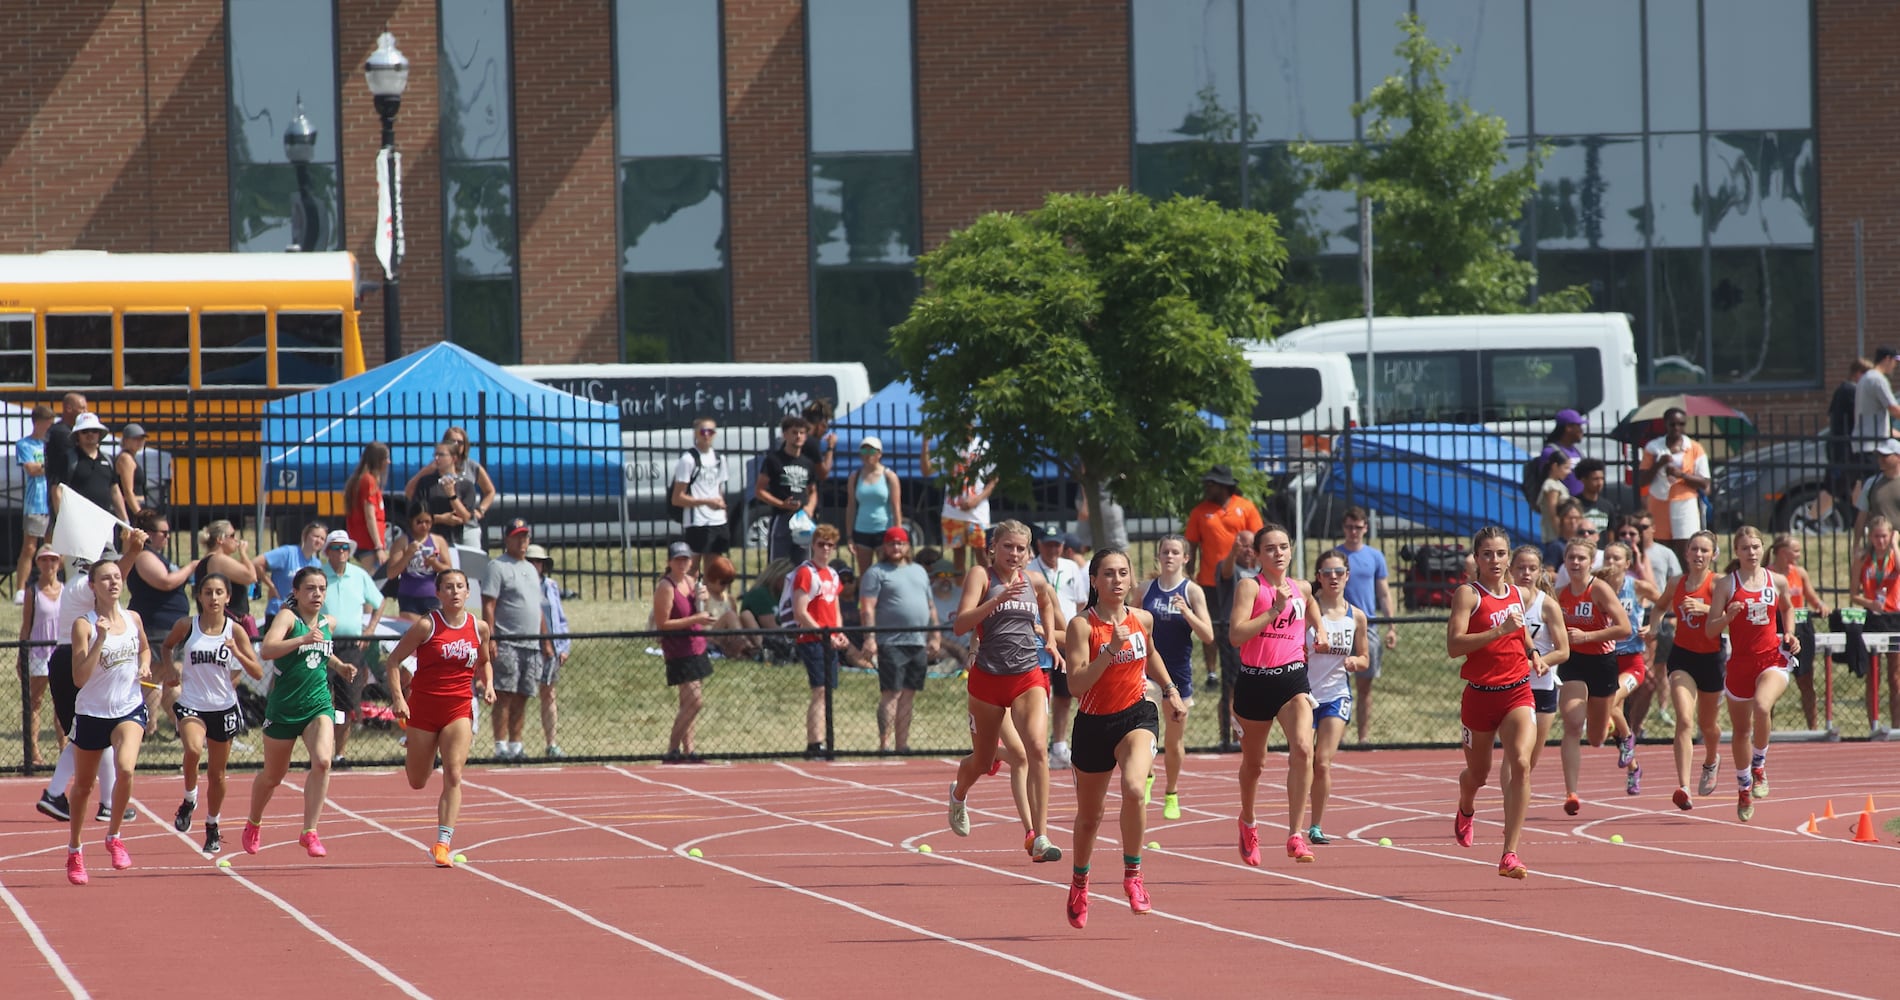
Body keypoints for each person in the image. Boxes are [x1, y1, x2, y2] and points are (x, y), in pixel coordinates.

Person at [1060, 546, 1186, 929]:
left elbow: (1150, 654)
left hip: (1136, 714)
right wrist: (1109, 651)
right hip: (1094, 724)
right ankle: (1080, 881)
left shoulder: (1142, 618)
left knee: (1134, 788)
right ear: (1095, 581)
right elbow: (1076, 684)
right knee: (1089, 818)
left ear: (1132, 578)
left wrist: (1169, 688)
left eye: (1123, 573)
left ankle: (1133, 876)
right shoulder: (1082, 625)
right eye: (1108, 574)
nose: (1117, 580)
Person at [947, 520, 1064, 863]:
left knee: (1037, 750)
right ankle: (958, 792)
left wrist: (1051, 641)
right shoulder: (981, 577)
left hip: (1027, 675)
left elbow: (1046, 606)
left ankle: (1040, 836)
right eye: (1008, 546)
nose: (1014, 554)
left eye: (1020, 548)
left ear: (1029, 553)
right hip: (988, 679)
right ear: (993, 548)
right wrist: (995, 603)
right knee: (983, 761)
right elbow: (960, 623)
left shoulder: (1036, 581)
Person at [1446, 526, 1544, 880]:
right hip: (1480, 696)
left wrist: (1534, 654)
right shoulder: (1468, 595)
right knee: (1479, 774)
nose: (1495, 560)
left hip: (1517, 690)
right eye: (1487, 554)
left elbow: (1520, 633)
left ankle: (1510, 852)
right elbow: (1454, 646)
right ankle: (1466, 806)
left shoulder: (1519, 593)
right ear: (1476, 558)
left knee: (1520, 762)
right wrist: (1496, 633)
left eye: (1501, 554)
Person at [34, 528, 148, 826]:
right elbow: (114, 578)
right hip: (77, 656)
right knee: (86, 730)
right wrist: (134, 551)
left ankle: (97, 800)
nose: (115, 577)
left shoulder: (84, 586)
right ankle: (60, 793)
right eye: (108, 567)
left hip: (92, 656)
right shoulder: (85, 586)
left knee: (98, 731)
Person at [1228, 523, 1325, 865]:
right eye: (1270, 548)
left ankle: (1295, 835)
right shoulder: (1250, 587)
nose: (1278, 553)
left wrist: (1321, 629)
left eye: (1283, 547)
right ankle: (1249, 820)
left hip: (1292, 679)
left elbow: (1311, 603)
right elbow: (1236, 636)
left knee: (1302, 748)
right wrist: (1273, 610)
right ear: (1257, 554)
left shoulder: (1300, 587)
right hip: (1255, 682)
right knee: (1255, 765)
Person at [386, 569, 494, 867]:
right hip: (423, 709)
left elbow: (484, 661)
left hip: (459, 708)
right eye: (449, 587)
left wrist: (489, 686)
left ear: (468, 592)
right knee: (417, 781)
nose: (455, 592)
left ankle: (442, 844)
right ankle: (420, 746)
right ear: (438, 593)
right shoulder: (426, 626)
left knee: (454, 774)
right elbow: (393, 661)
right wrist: (398, 699)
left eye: (460, 586)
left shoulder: (479, 627)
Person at [244, 567, 353, 858]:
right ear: (296, 592)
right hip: (284, 708)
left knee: (323, 761)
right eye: (310, 588)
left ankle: (310, 831)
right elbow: (267, 650)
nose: (317, 594)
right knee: (273, 775)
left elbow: (321, 650)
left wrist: (340, 666)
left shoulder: (327, 621)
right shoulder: (288, 618)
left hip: (318, 704)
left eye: (321, 588)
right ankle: (254, 821)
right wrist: (302, 640)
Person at [61, 559, 153, 885]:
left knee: (126, 768)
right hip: (92, 713)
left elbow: (144, 649)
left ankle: (114, 837)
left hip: (128, 708)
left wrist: (144, 665)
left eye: (117, 577)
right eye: (105, 578)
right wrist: (99, 640)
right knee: (84, 787)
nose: (113, 583)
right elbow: (79, 678)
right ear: (93, 586)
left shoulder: (133, 618)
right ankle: (75, 849)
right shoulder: (84, 625)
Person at [158, 573, 263, 854]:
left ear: (228, 597)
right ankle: (189, 798)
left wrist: (238, 655)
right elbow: (167, 646)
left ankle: (212, 824)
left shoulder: (235, 631)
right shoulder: (187, 625)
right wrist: (170, 670)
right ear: (199, 596)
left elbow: (257, 671)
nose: (213, 598)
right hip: (192, 702)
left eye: (219, 592)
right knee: (193, 749)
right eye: (208, 592)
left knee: (217, 775)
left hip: (223, 707)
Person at [1707, 526, 1798, 823]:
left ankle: (1759, 765)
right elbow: (1711, 629)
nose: (1752, 552)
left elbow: (1788, 608)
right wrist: (1727, 617)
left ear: (1763, 549)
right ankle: (1744, 786)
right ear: (1737, 551)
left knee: (1762, 705)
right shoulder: (1725, 585)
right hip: (1740, 664)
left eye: (1756, 547)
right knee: (1741, 731)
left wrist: (1790, 635)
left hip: (1772, 658)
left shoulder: (1777, 581)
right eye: (1745, 548)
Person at [1648, 530, 1725, 811]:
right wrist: (1654, 628)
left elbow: (1731, 619)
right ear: (1686, 553)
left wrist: (1706, 609)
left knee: (1708, 726)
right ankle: (1684, 786)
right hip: (1683, 658)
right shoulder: (1676, 582)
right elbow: (1658, 607)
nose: (1699, 555)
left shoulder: (1719, 584)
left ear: (1713, 555)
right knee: (1684, 719)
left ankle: (1712, 759)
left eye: (1705, 550)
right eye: (1694, 549)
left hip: (1712, 658)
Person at [1555, 538, 1633, 817]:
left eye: (1581, 558)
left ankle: (1615, 728)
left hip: (1601, 663)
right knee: (1573, 725)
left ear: (1590, 563)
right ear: (1565, 561)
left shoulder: (1598, 590)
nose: (1575, 563)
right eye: (1571, 558)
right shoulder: (1560, 594)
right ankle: (1571, 793)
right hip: (1573, 663)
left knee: (1597, 737)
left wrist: (1588, 635)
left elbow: (1624, 627)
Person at [1141, 533, 1213, 821]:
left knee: (1173, 742)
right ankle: (1146, 776)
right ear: (1158, 556)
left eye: (1175, 552)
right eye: (1165, 552)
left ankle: (1171, 793)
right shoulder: (1145, 590)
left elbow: (1208, 635)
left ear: (1185, 558)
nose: (1169, 557)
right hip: (1146, 673)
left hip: (1179, 677)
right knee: (1144, 733)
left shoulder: (1192, 591)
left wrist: (1187, 612)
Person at [1304, 550, 1368, 846]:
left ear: (1347, 576)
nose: (1333, 578)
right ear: (1318, 577)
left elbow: (1365, 657)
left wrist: (1356, 661)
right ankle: (1297, 816)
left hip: (1335, 695)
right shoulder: (1308, 610)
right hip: (1303, 694)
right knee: (1303, 758)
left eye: (1339, 572)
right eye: (1327, 572)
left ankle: (1315, 825)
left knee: (1323, 762)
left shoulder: (1356, 616)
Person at [860, 527, 938, 754]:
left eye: (900, 543)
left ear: (908, 546)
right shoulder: (876, 572)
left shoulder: (919, 571)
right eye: (892, 543)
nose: (896, 547)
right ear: (884, 547)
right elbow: (867, 608)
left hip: (917, 641)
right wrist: (870, 638)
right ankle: (885, 744)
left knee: (909, 693)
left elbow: (931, 607)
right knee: (891, 692)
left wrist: (935, 635)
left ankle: (902, 745)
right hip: (890, 641)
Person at [1185, 464, 1263, 690]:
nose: (1207, 488)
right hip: (1209, 580)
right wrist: (1190, 574)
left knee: (1240, 624)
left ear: (1224, 486)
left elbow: (1258, 540)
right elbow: (1191, 543)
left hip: (1242, 580)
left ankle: (1247, 666)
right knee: (1213, 628)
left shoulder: (1245, 507)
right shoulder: (1200, 511)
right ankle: (1211, 673)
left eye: (1211, 484)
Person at [484, 518, 553, 760]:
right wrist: (491, 637)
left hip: (531, 644)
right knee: (504, 693)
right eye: (517, 536)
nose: (522, 541)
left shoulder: (532, 571)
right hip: (508, 641)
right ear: (507, 539)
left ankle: (516, 744)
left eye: (525, 537)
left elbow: (538, 607)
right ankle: (500, 745)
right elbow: (489, 604)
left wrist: (545, 640)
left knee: (523, 695)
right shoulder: (498, 566)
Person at [126, 509, 199, 737]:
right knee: (155, 677)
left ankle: (181, 726)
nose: (167, 537)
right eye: (163, 533)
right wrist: (191, 567)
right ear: (148, 533)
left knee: (172, 677)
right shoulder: (144, 555)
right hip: (156, 624)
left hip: (172, 625)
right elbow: (165, 582)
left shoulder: (157, 555)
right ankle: (149, 728)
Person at [1598, 541, 1662, 795]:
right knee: (1612, 712)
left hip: (1632, 661)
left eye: (1617, 559)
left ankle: (1626, 740)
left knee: (1611, 702)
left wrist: (1653, 626)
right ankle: (1634, 767)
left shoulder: (1636, 587)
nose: (1611, 563)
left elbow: (1665, 602)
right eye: (1608, 558)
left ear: (1627, 564)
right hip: (1604, 661)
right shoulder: (1596, 588)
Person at [319, 530, 383, 767]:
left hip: (352, 647)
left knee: (345, 703)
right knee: (321, 701)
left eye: (345, 547)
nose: (342, 551)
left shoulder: (359, 575)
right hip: (323, 643)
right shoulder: (318, 575)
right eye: (336, 547)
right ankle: (321, 752)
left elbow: (379, 601)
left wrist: (370, 629)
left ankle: (339, 754)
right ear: (327, 552)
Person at [1335, 507, 1398, 745]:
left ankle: (1363, 738)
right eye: (1350, 527)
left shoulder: (1375, 556)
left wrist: (1391, 626)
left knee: (1364, 686)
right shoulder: (1336, 556)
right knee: (1338, 685)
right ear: (1344, 528)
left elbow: (1383, 593)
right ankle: (1337, 738)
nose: (1354, 532)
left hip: (1367, 626)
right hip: (1339, 625)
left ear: (1365, 528)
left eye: (1358, 527)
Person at [1507, 547, 1568, 785]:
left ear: (1540, 572)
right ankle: (1509, 806)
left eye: (1532, 568)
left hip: (1542, 685)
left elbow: (1563, 651)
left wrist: (1542, 661)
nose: (1526, 573)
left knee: (1529, 760)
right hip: (1512, 684)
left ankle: (1516, 799)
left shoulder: (1548, 605)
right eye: (1520, 568)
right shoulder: (1505, 602)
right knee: (1515, 755)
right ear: (1510, 570)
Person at [1030, 524, 1087, 769]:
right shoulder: (1030, 569)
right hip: (1036, 638)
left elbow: (1081, 602)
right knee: (1038, 693)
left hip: (1066, 637)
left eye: (1057, 544)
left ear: (1064, 546)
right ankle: (1035, 744)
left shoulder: (1071, 567)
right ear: (1039, 545)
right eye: (1048, 544)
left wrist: (1080, 634)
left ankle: (1060, 746)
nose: (1053, 549)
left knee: (1065, 694)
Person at [790, 525, 850, 758]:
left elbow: (834, 608)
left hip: (828, 639)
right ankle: (814, 743)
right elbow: (800, 611)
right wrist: (824, 634)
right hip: (812, 639)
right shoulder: (806, 572)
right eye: (821, 544)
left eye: (830, 545)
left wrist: (838, 632)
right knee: (819, 690)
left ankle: (824, 740)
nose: (825, 549)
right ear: (813, 545)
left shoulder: (833, 575)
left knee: (827, 692)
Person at [654, 540, 712, 763]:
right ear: (669, 562)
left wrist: (703, 603)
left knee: (687, 704)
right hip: (679, 650)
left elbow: (700, 612)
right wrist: (695, 619)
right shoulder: (666, 587)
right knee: (695, 702)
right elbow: (663, 624)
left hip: (697, 646)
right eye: (678, 559)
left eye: (685, 559)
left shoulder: (692, 581)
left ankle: (689, 749)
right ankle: (672, 749)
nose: (682, 563)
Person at [1637, 407, 1712, 560]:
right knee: (1660, 546)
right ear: (1665, 424)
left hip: (1685, 503)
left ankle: (1685, 581)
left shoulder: (1694, 448)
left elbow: (1705, 482)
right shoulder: (1653, 447)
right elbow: (1642, 480)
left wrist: (1681, 475)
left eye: (1681, 424)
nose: (1677, 428)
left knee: (1686, 548)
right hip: (1659, 501)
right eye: (1672, 424)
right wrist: (1658, 464)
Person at [1770, 534, 1828, 730]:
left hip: (1801, 627)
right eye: (1795, 550)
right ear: (1781, 551)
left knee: (1805, 680)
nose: (1798, 554)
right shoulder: (1766, 574)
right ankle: (1765, 728)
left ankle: (1813, 727)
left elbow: (1811, 597)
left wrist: (1820, 605)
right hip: (1775, 627)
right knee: (1769, 683)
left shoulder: (1799, 573)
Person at [1211, 529, 1259, 750]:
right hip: (1234, 634)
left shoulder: (1261, 572)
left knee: (1252, 687)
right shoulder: (1228, 566)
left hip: (1257, 636)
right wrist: (1233, 552)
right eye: (1243, 546)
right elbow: (1227, 572)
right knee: (1231, 687)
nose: (1247, 551)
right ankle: (1227, 736)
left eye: (1251, 546)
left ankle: (1249, 735)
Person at [1851, 516, 1900, 730]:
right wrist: (1870, 603)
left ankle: (1897, 725)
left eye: (1884, 536)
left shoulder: (1894, 556)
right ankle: (1874, 724)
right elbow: (1854, 594)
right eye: (1876, 536)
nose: (1880, 541)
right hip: (1873, 617)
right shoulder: (1863, 559)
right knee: (1873, 675)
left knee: (1896, 676)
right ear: (1870, 537)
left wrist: (1895, 546)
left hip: (1894, 618)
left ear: (1890, 536)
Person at [925, 430, 996, 575]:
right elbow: (927, 470)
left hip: (977, 513)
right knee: (958, 558)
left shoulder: (983, 446)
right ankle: (962, 592)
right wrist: (925, 444)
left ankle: (988, 591)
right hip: (953, 512)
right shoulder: (950, 447)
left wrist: (976, 500)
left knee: (983, 555)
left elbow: (993, 479)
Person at [756, 416, 820, 564]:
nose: (798, 436)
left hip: (802, 519)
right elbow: (760, 490)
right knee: (778, 566)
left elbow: (812, 490)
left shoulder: (807, 463)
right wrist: (781, 504)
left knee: (803, 565)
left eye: (802, 433)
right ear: (785, 434)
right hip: (781, 518)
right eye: (794, 432)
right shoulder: (773, 460)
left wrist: (810, 508)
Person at [526, 543, 570, 756]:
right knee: (519, 695)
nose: (536, 566)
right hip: (527, 646)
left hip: (551, 648)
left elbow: (559, 617)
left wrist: (563, 645)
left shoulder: (551, 585)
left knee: (549, 693)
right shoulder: (521, 586)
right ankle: (515, 743)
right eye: (531, 561)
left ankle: (551, 743)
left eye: (539, 562)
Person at [672, 415, 731, 572]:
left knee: (714, 569)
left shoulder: (719, 458)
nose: (706, 435)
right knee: (692, 568)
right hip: (697, 521)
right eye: (703, 431)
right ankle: (689, 596)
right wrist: (706, 502)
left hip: (717, 521)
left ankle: (709, 596)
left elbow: (718, 488)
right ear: (696, 433)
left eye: (710, 432)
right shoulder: (688, 459)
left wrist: (722, 509)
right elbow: (678, 498)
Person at [21, 549, 63, 767]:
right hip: (38, 652)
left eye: (53, 559)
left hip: (60, 652)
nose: (49, 564)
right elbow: (26, 625)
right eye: (45, 559)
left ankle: (65, 749)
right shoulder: (33, 592)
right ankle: (34, 751)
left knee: (62, 703)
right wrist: (22, 655)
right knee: (35, 702)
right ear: (38, 563)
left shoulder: (66, 591)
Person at [844, 436, 901, 576]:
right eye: (864, 452)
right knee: (865, 575)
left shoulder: (889, 476)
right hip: (862, 530)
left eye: (871, 451)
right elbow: (851, 506)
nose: (867, 455)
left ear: (879, 454)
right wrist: (849, 536)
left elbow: (896, 506)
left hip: (884, 530)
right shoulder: (855, 477)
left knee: (887, 573)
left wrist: (897, 534)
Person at [386, 508, 455, 623]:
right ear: (411, 521)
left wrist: (434, 563)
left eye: (427, 522)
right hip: (408, 597)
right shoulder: (402, 542)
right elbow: (391, 573)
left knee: (432, 632)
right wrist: (407, 555)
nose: (424, 526)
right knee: (412, 631)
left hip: (432, 596)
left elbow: (448, 571)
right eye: (419, 522)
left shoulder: (438, 541)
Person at [14, 403, 53, 605]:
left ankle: (50, 585)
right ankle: (20, 589)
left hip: (52, 500)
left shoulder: (51, 444)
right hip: (36, 501)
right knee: (30, 547)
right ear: (38, 423)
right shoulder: (24, 444)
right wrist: (50, 465)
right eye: (47, 423)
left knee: (51, 547)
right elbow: (32, 469)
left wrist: (44, 467)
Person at [1826, 357, 1872, 519]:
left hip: (1845, 450)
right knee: (1833, 490)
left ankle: (1858, 520)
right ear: (1859, 374)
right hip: (1845, 451)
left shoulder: (1842, 390)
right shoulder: (1851, 391)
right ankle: (1811, 520)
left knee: (1855, 487)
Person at [197, 520, 260, 637]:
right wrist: (243, 553)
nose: (236, 540)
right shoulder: (218, 559)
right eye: (232, 535)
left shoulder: (206, 561)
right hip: (228, 625)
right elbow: (251, 576)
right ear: (220, 539)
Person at [438, 425, 499, 546]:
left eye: (460, 442)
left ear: (465, 445)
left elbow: (490, 491)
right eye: (452, 441)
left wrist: (481, 510)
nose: (456, 444)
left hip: (468, 527)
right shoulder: (437, 465)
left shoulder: (472, 466)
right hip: (443, 526)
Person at [407, 442, 480, 543]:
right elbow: (416, 514)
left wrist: (452, 495)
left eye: (441, 455)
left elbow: (466, 517)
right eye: (435, 455)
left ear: (453, 458)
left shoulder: (466, 485)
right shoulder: (426, 482)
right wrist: (441, 518)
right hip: (430, 538)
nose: (436, 458)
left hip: (456, 539)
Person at [61, 413, 126, 525]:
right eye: (85, 431)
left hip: (105, 520)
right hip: (77, 521)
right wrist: (62, 520)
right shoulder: (68, 459)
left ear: (99, 434)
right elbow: (58, 491)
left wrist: (125, 520)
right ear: (77, 435)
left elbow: (115, 491)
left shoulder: (109, 460)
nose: (90, 434)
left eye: (94, 430)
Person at [257, 521, 326, 619]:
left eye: (322, 538)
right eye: (315, 536)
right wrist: (271, 587)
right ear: (305, 536)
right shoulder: (287, 553)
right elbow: (256, 564)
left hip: (301, 617)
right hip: (278, 612)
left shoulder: (316, 564)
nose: (318, 540)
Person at [344, 442, 391, 570]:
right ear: (378, 460)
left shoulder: (364, 479)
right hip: (368, 543)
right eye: (386, 458)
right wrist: (378, 546)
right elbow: (370, 516)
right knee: (370, 582)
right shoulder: (368, 481)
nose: (389, 462)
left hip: (366, 542)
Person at [700, 555, 757, 659]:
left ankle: (759, 647)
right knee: (730, 615)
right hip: (709, 637)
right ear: (712, 578)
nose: (725, 586)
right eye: (722, 582)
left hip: (729, 637)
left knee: (746, 614)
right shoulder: (704, 596)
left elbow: (736, 624)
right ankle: (746, 645)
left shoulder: (729, 599)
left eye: (729, 582)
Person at [1853, 347, 1900, 465]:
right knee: (1878, 480)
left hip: (1863, 442)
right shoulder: (1878, 379)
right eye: (1895, 361)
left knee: (1867, 481)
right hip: (1875, 445)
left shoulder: (1865, 378)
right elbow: (1893, 409)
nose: (1895, 366)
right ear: (1887, 359)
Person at [1852, 439, 1900, 544]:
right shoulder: (1872, 483)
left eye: (1885, 456)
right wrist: (1856, 545)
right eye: (1879, 456)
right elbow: (1861, 518)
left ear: (1898, 457)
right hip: (1880, 547)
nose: (1880, 459)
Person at [1538, 409, 1588, 495]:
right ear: (1568, 428)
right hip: (1562, 504)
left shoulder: (1577, 451)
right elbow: (1547, 483)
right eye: (1578, 426)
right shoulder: (1551, 452)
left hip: (1579, 505)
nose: (1581, 431)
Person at [43, 392, 84, 497]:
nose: (85, 412)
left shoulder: (64, 430)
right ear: (69, 409)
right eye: (82, 408)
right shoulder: (62, 432)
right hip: (63, 488)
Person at [1574, 458, 1620, 541]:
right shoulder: (1575, 505)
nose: (1600, 483)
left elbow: (1611, 534)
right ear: (1584, 480)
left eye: (1602, 478)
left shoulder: (1607, 506)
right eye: (1595, 479)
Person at [113, 423, 151, 519]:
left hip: (136, 505)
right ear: (125, 440)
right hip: (131, 507)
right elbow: (128, 491)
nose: (140, 441)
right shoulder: (126, 459)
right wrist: (139, 515)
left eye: (142, 438)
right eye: (135, 438)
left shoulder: (131, 457)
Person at [1537, 452, 1574, 543]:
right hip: (1554, 536)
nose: (1569, 472)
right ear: (1555, 466)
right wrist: (1560, 535)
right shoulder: (1551, 486)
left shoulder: (1558, 484)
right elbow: (1553, 513)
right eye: (1566, 468)